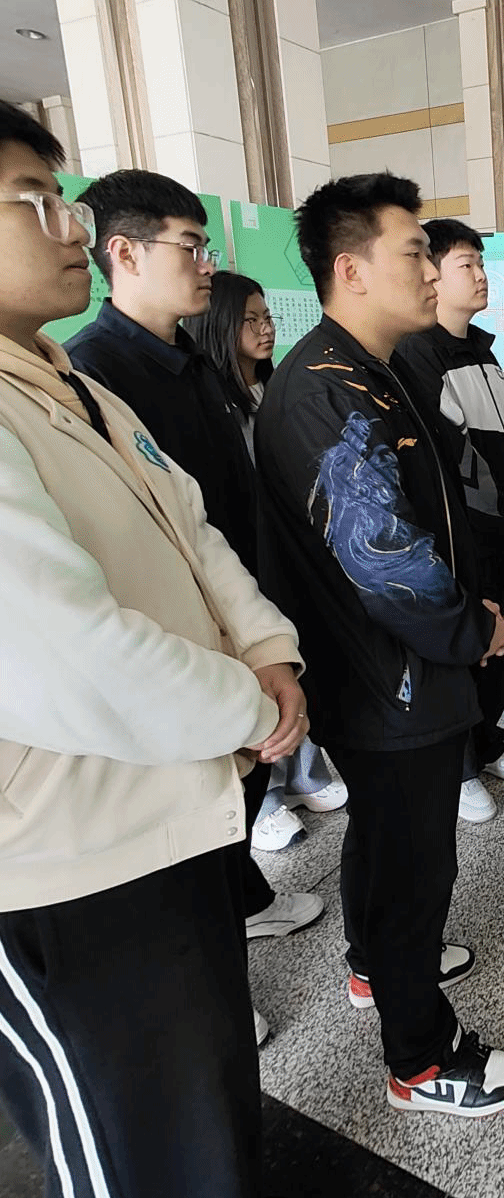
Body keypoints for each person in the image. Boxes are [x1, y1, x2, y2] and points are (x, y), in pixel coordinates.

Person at [0, 101, 304, 1198]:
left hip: (163, 807)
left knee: (198, 1090)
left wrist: (266, 653)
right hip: (60, 863)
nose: (67, 225)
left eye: (62, 196)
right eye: (31, 201)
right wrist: (245, 706)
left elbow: (193, 530)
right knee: (128, 1151)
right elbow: (63, 649)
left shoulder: (68, 382)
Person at [252, 172, 504, 1118]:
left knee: (386, 837)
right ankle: (419, 1056)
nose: (432, 268)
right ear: (351, 268)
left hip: (397, 666)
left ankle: (375, 963)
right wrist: (471, 628)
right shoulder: (323, 391)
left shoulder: (374, 367)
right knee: (416, 865)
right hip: (391, 674)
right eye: (415, 252)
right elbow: (384, 557)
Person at [63, 171, 325, 983]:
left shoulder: (192, 358)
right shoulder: (94, 373)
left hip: (240, 604)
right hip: (181, 631)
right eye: (190, 245)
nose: (208, 263)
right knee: (193, 817)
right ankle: (210, 971)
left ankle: (241, 903)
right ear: (125, 252)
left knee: (238, 793)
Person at [186, 269, 349, 851]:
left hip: (291, 549)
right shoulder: (211, 400)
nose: (265, 329)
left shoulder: (278, 389)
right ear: (220, 326)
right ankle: (267, 796)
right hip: (242, 556)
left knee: (301, 660)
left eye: (267, 317)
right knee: (260, 670)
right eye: (250, 320)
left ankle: (305, 771)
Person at [394, 220, 504, 825]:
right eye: (467, 264)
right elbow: (451, 456)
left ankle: (486, 743)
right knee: (464, 646)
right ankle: (456, 769)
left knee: (502, 641)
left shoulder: (484, 351)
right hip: (460, 536)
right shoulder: (417, 355)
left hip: (500, 531)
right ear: (431, 273)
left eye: (482, 263)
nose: (482, 275)